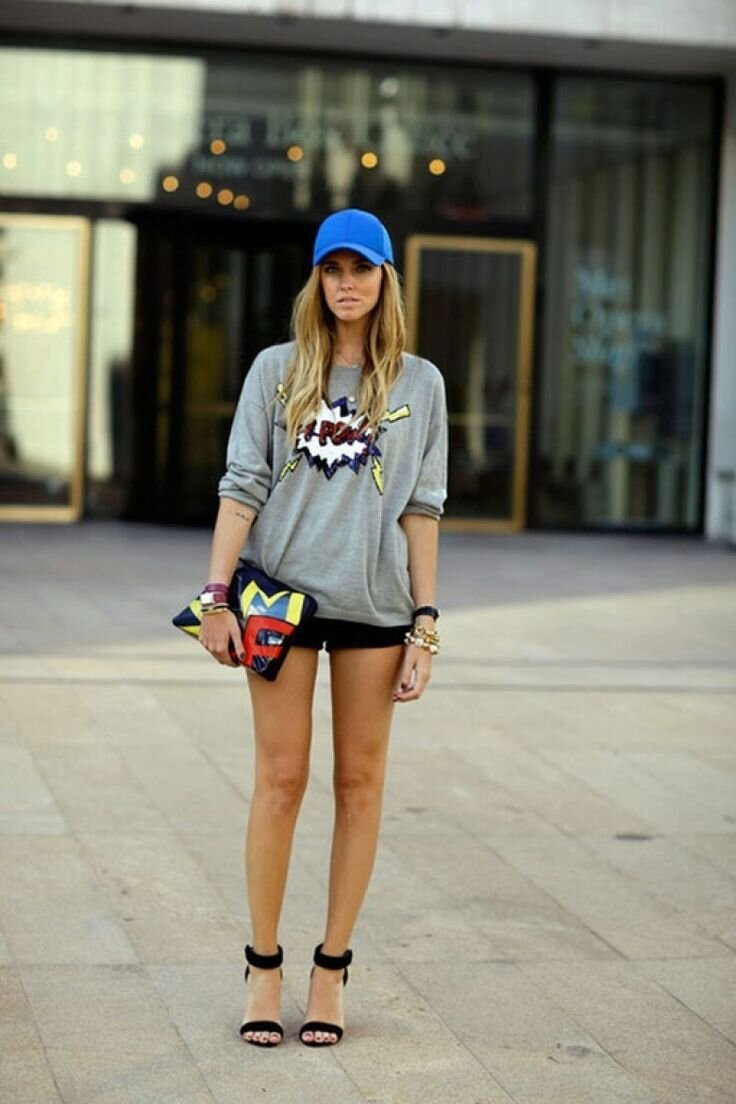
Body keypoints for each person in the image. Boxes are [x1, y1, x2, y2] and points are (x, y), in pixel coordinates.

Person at [198, 208, 448, 1048]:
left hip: (377, 612)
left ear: (385, 280)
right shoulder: (277, 371)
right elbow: (242, 485)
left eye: (363, 268)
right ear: (317, 280)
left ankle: (331, 968)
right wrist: (214, 597)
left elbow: (422, 508)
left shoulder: (421, 384)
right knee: (280, 779)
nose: (348, 283)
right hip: (279, 605)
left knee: (359, 785)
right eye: (333, 268)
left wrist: (425, 623)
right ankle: (262, 966)